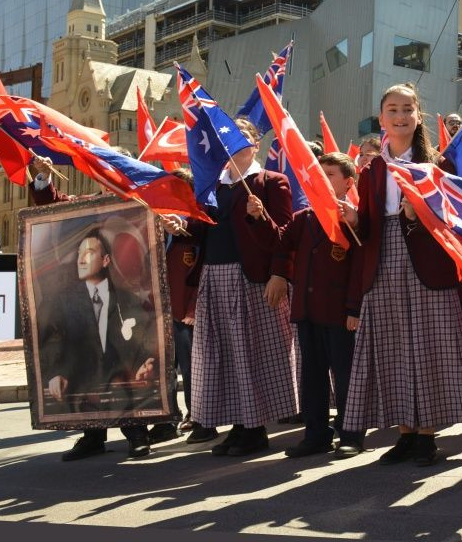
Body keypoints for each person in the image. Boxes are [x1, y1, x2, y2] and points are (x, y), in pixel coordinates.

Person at [340, 84, 462, 465]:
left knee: (428, 345)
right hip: (382, 259)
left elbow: (452, 220)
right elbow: (366, 227)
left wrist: (420, 216)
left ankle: (426, 434)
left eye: (407, 109)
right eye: (392, 110)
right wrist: (354, 218)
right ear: (382, 118)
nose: (400, 116)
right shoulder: (371, 170)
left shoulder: (437, 165)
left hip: (426, 261)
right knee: (392, 347)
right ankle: (404, 432)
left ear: (418, 116)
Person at [190, 118, 297, 457]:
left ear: (255, 144)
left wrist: (279, 274)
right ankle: (238, 425)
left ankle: (255, 429)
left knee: (250, 353)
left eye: (243, 137)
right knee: (222, 354)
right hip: (214, 275)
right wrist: (180, 225)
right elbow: (202, 230)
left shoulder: (270, 182)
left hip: (250, 278)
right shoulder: (212, 186)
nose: (234, 144)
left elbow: (284, 234)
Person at [38, 228, 160, 460]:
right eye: (79, 253)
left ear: (105, 260)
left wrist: (149, 361)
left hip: (124, 384)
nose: (82, 258)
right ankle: (92, 436)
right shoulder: (63, 301)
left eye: (90, 252)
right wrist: (56, 372)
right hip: (82, 383)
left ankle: (136, 434)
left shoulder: (127, 298)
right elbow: (51, 338)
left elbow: (143, 337)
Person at [276, 152, 361, 458]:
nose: (324, 179)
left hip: (339, 312)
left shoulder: (353, 220)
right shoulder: (304, 217)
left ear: (347, 183)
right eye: (320, 173)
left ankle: (351, 433)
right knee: (312, 376)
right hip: (307, 310)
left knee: (345, 373)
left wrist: (354, 308)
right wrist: (258, 215)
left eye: (331, 174)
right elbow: (281, 243)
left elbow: (359, 268)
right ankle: (315, 434)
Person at [160, 169, 213, 443]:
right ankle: (166, 417)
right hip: (159, 309)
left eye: (178, 188)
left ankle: (198, 414)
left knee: (193, 365)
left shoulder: (196, 222)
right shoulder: (157, 221)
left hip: (187, 308)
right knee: (164, 366)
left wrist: (193, 306)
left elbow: (200, 268)